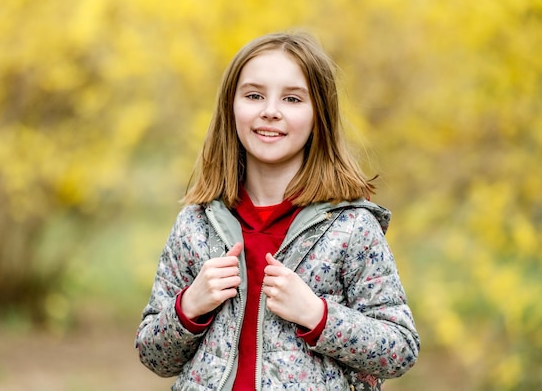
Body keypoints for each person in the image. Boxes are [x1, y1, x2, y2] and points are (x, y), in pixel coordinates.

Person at [135, 31, 420, 390]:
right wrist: (188, 307)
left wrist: (317, 315)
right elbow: (153, 356)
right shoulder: (196, 224)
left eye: (292, 98)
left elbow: (400, 349)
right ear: (231, 108)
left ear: (319, 114)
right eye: (254, 95)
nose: (270, 111)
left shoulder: (350, 228)